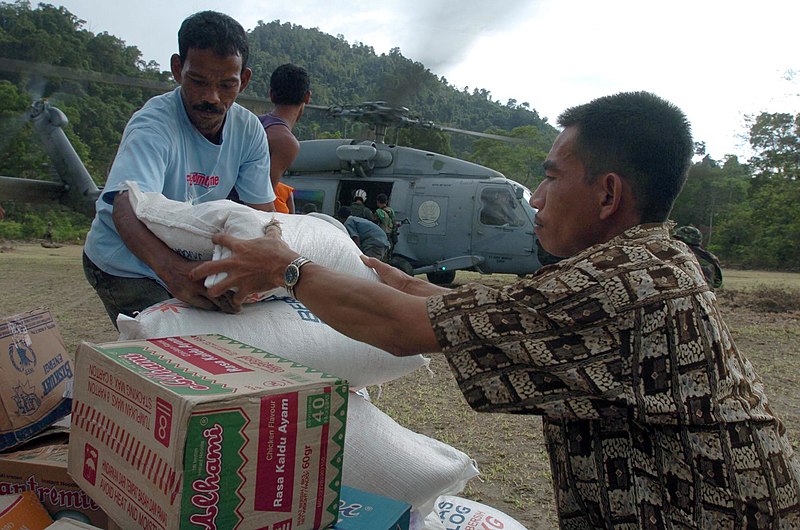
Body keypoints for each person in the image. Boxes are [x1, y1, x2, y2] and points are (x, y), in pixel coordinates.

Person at [191, 91, 800, 528]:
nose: (534, 198)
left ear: (608, 192)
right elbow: (496, 310)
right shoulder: (651, 262)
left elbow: (401, 333)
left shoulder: (620, 287)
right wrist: (394, 277)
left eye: (550, 177)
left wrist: (288, 269)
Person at [82, 10, 276, 327]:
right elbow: (124, 206)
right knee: (174, 346)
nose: (211, 97)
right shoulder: (153, 124)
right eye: (198, 81)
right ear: (177, 69)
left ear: (244, 80)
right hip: (124, 261)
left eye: (226, 84)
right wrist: (174, 273)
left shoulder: (250, 130)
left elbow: (263, 213)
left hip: (184, 257)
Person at [258, 63, 311, 214]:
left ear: (271, 94)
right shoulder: (286, 142)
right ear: (307, 97)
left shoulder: (254, 122)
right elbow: (261, 199)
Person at [673, 224, 723, 289]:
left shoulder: (678, 255)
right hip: (708, 296)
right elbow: (717, 283)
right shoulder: (711, 258)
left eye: (677, 239)